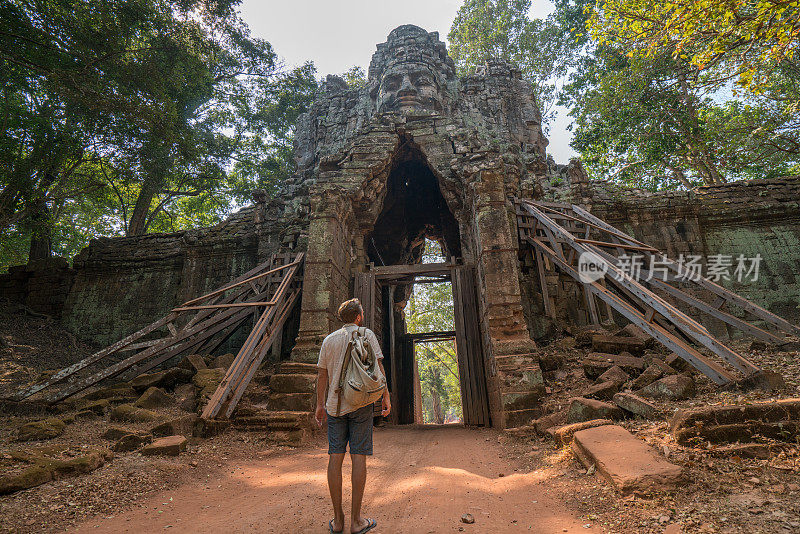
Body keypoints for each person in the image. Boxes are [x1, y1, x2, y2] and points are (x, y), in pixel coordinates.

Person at [316, 298, 391, 534]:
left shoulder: (329, 340)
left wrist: (320, 405)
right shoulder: (367, 334)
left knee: (335, 457)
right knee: (359, 457)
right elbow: (378, 368)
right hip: (361, 403)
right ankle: (356, 521)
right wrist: (385, 396)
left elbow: (322, 376)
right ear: (358, 316)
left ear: (341, 319)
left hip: (335, 405)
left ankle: (338, 521)